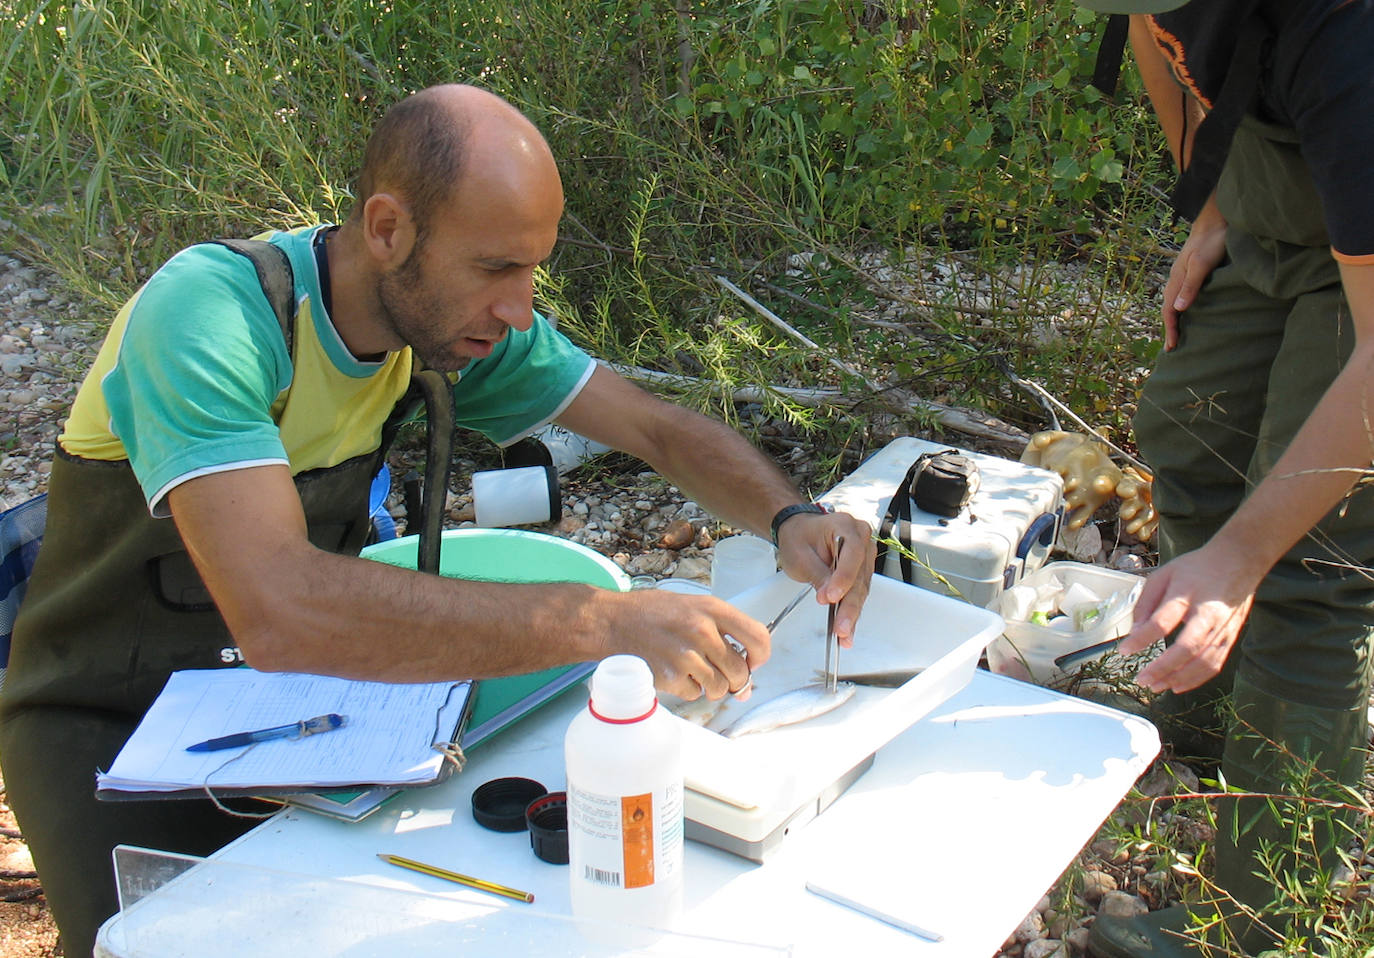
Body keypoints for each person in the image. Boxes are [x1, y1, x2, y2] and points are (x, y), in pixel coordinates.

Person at [0, 84, 875, 956]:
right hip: (104, 721)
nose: (520, 309)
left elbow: (653, 427)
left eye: (533, 270)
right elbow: (282, 609)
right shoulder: (212, 317)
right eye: (496, 268)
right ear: (387, 230)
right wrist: (604, 621)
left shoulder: (451, 330)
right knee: (160, 941)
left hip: (296, 711)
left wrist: (791, 515)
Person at [1072, 2, 1374, 955]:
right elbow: (1170, 58)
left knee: (1311, 565)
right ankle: (1201, 711)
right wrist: (1217, 207)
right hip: (1281, 216)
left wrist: (1242, 559)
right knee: (1187, 435)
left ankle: (1257, 925)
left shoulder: (1346, 40)